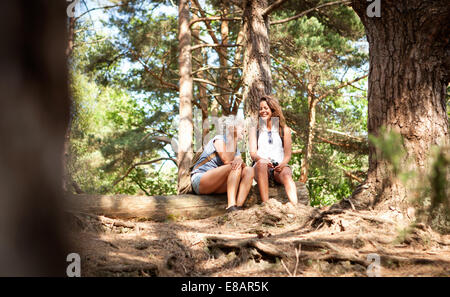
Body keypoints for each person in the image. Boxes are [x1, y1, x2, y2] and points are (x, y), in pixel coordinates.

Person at [190, 116, 254, 212]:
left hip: (218, 183)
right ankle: (231, 206)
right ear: (232, 127)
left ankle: (239, 207)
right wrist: (234, 137)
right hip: (201, 180)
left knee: (249, 170)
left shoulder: (236, 149)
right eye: (242, 127)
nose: (244, 130)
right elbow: (227, 161)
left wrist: (240, 161)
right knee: (233, 166)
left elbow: (241, 165)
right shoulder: (219, 139)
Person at [249, 95, 298, 205]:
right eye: (260, 109)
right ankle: (266, 204)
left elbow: (287, 155)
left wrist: (282, 164)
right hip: (261, 168)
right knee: (261, 164)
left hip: (278, 168)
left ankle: (295, 205)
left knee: (286, 173)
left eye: (265, 108)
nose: (262, 111)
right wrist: (263, 160)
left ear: (272, 109)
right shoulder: (255, 129)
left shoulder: (284, 130)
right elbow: (253, 154)